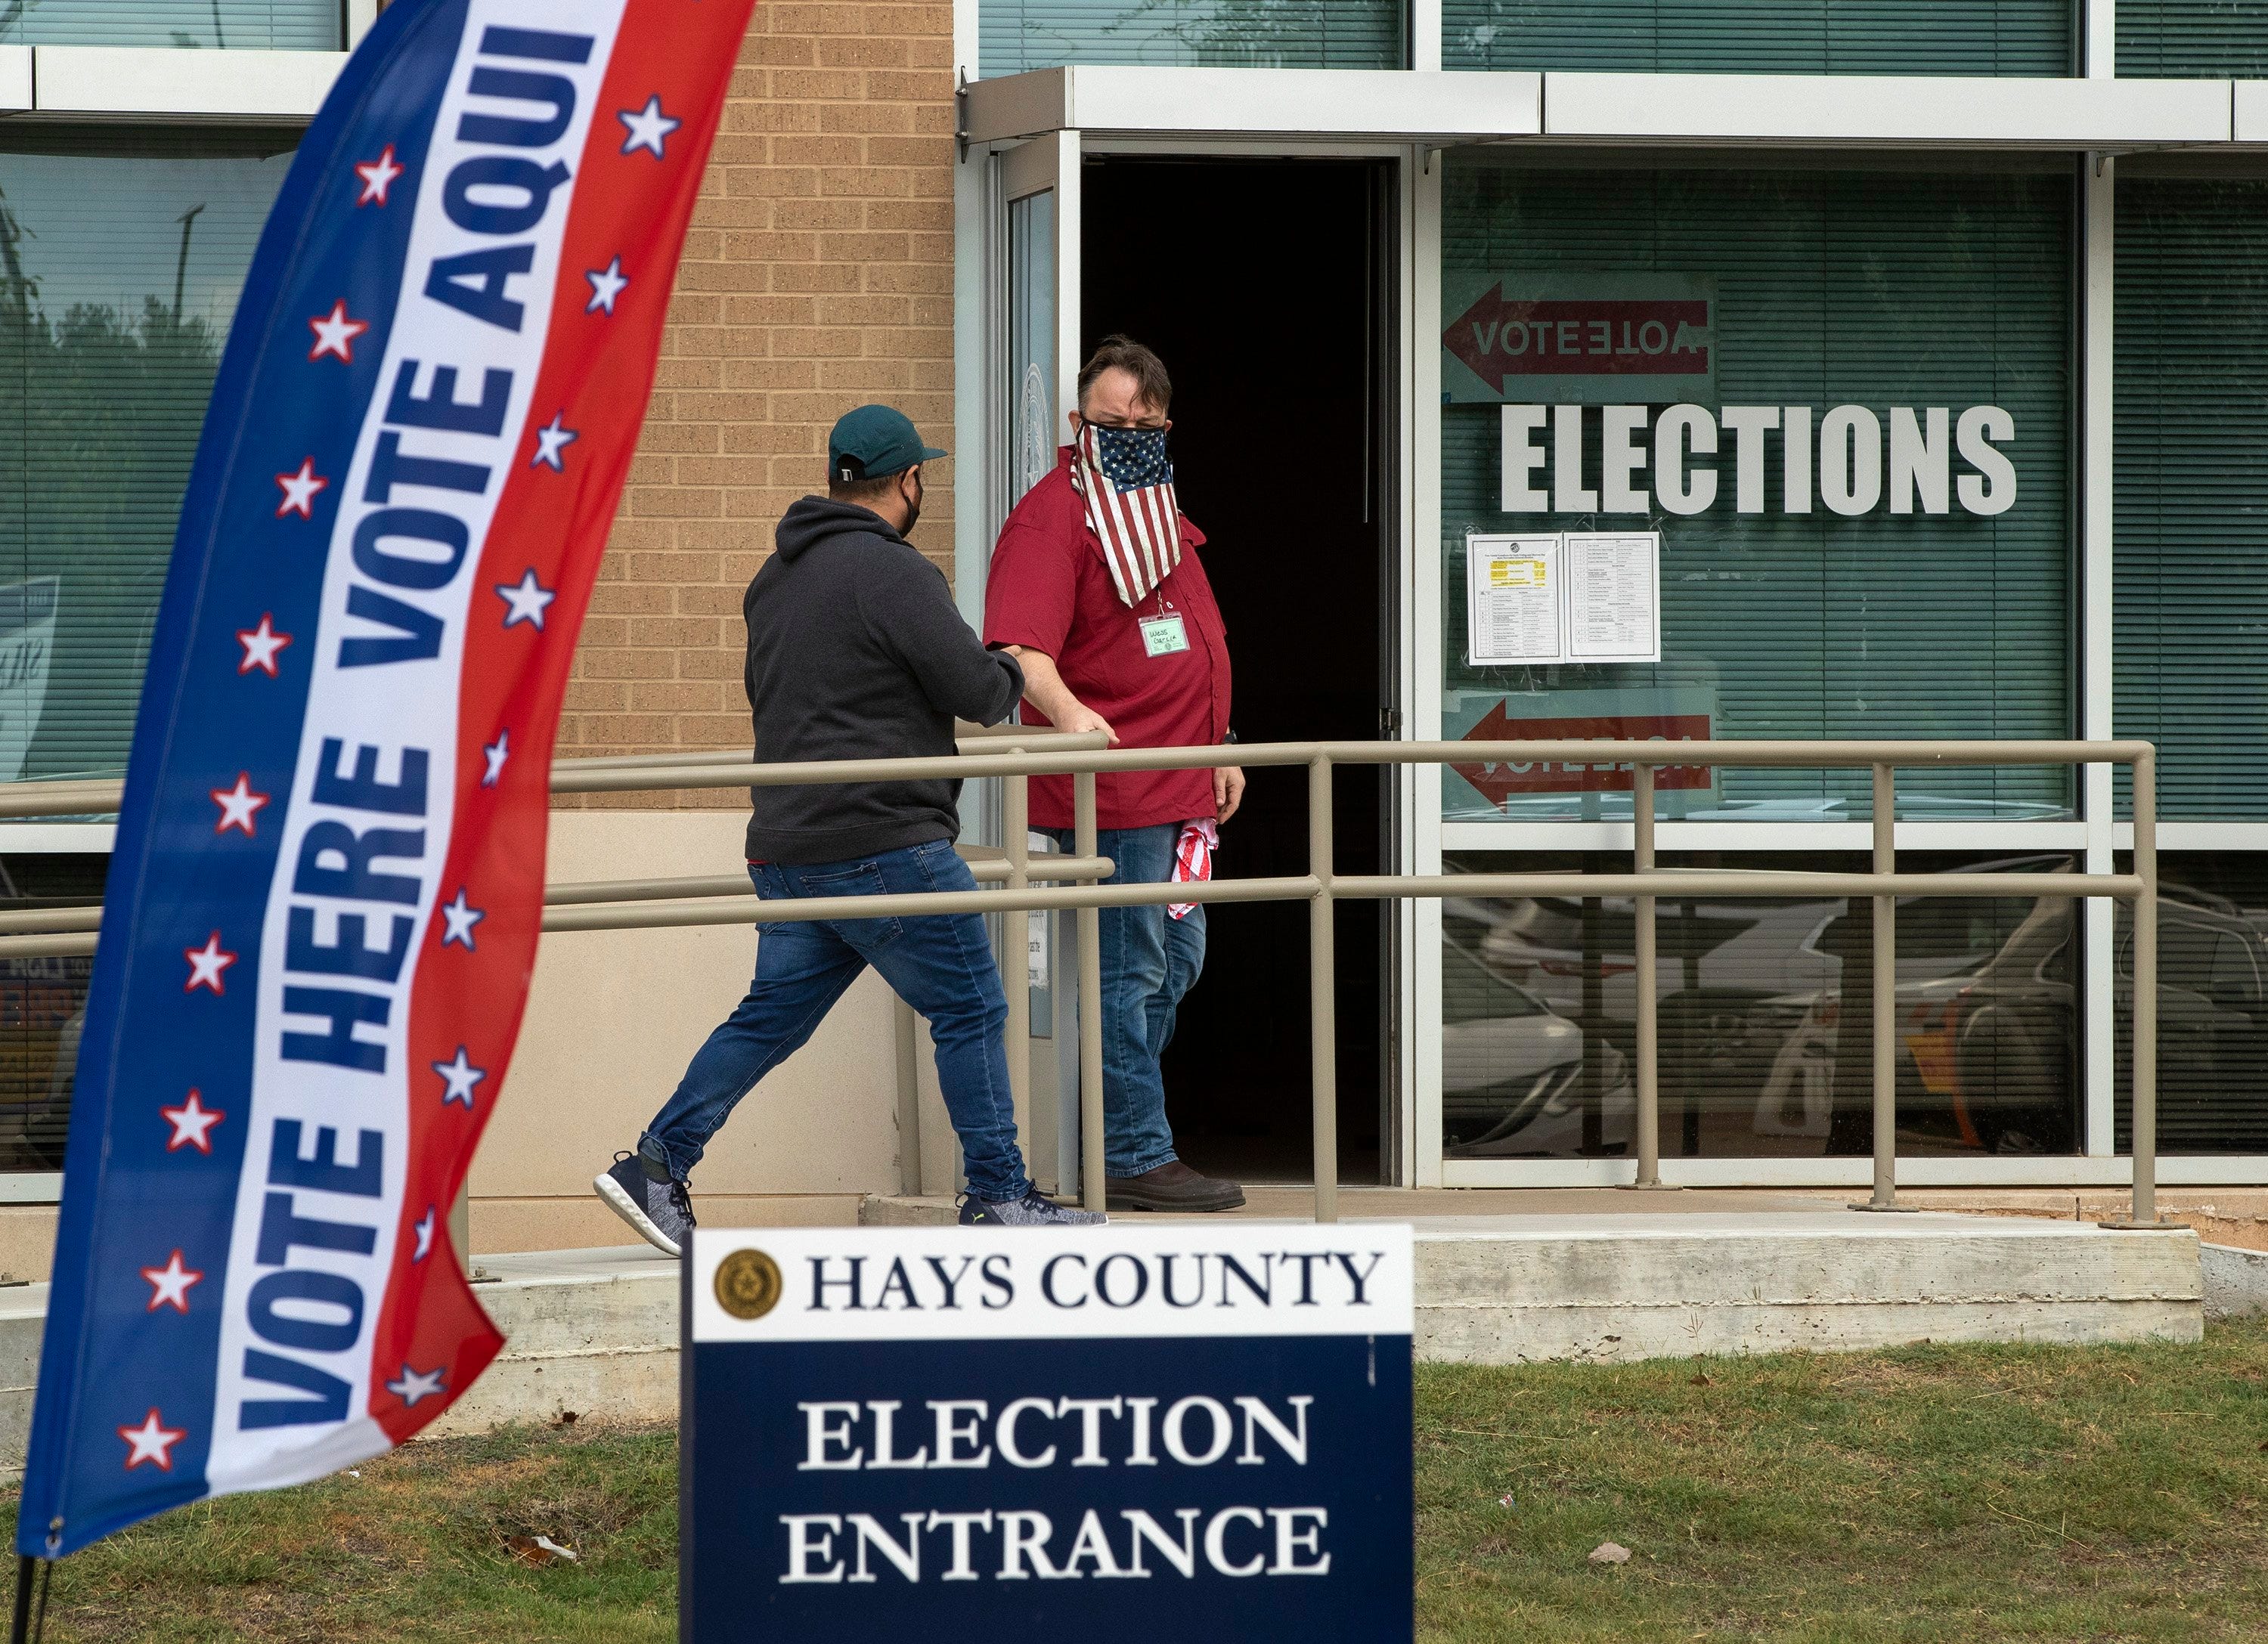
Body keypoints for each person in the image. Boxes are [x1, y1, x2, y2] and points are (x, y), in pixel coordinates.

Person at [597, 404, 1105, 1252]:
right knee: (974, 1006)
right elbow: (978, 694)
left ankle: (656, 1166)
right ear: (909, 481)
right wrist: (1015, 662)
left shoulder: (775, 577)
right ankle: (998, 1195)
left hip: (789, 847)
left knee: (770, 1019)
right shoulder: (896, 574)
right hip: (881, 840)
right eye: (922, 480)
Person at [984, 338, 1247, 1213]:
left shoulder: (1155, 508)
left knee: (1176, 966)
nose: (1129, 432)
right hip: (1115, 797)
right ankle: (1135, 1151)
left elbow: (1189, 641)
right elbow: (1022, 651)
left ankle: (1119, 1128)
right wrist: (1072, 719)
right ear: (1077, 423)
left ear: (1165, 425)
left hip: (1180, 789)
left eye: (1145, 420)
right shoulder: (1054, 518)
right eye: (1110, 419)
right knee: (1127, 977)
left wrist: (1222, 743)